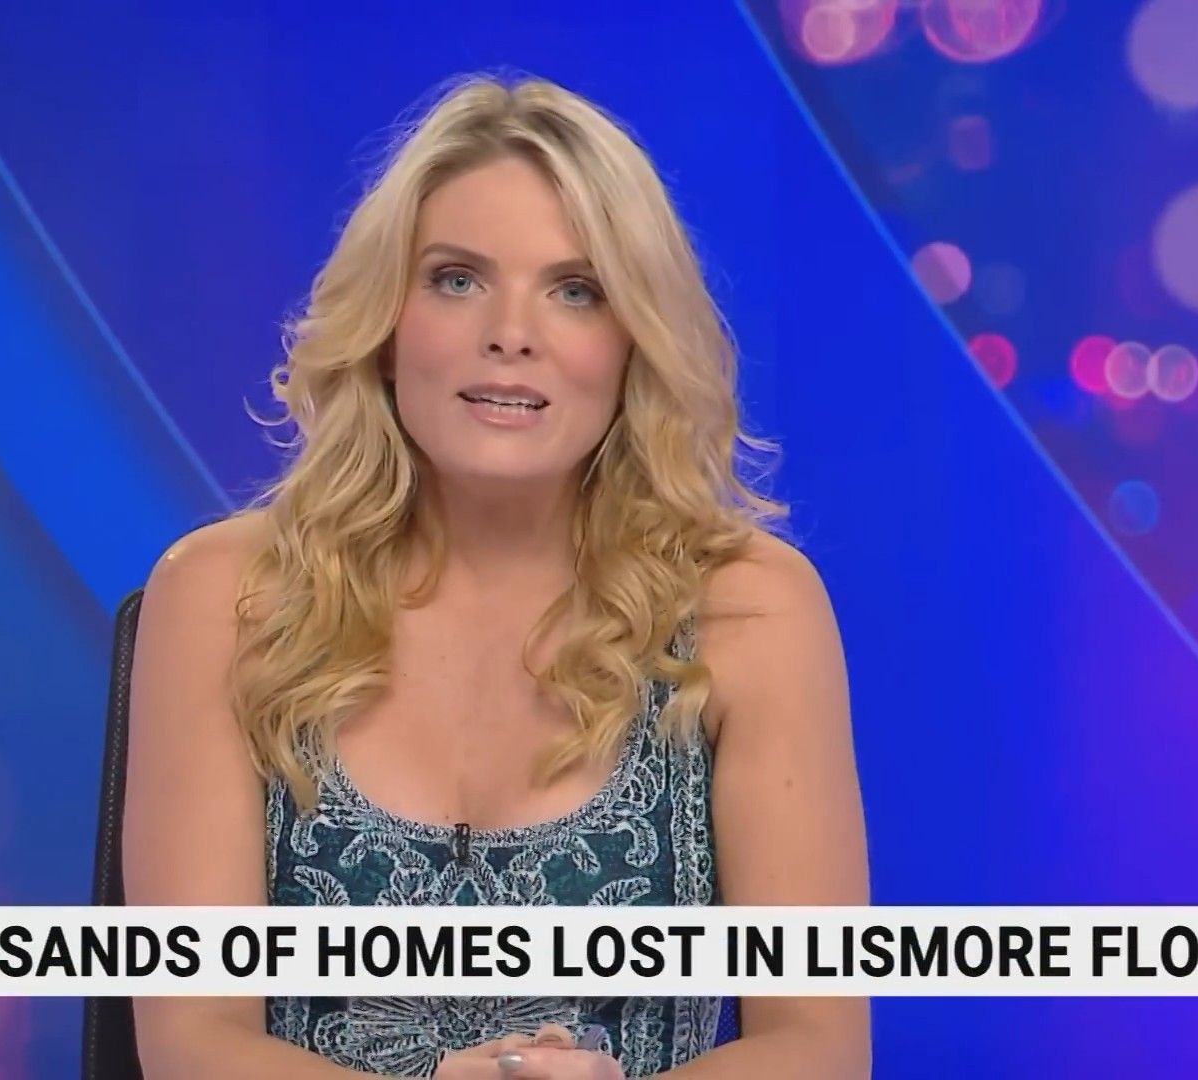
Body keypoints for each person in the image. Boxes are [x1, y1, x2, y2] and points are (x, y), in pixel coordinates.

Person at [123, 71, 869, 1079]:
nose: (510, 333)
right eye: (457, 279)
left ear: (633, 343)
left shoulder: (750, 611)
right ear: (387, 327)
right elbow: (191, 1042)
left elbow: (818, 1046)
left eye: (576, 290)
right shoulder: (225, 597)